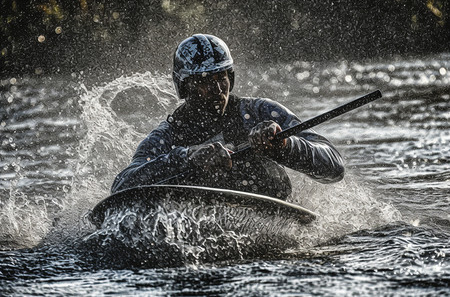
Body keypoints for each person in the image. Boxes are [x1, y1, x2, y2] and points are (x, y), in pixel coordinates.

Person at [111, 34, 344, 200]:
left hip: (273, 207)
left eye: (220, 78)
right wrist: (187, 158)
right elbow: (122, 186)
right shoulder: (167, 136)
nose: (216, 90)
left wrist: (284, 146)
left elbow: (334, 166)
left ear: (230, 79)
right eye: (203, 81)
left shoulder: (260, 112)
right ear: (184, 87)